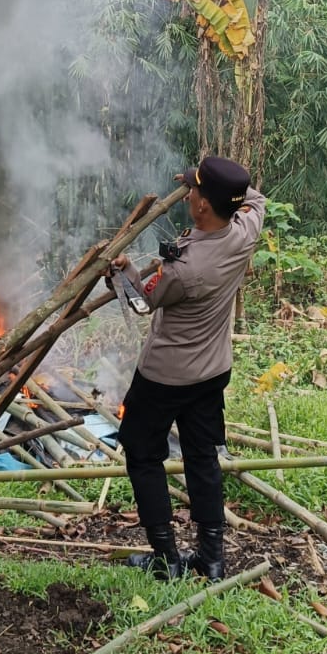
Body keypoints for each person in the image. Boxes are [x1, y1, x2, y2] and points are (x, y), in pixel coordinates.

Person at [109, 155, 265, 580]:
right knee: (201, 457)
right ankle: (211, 558)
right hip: (212, 371)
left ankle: (166, 558)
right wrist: (211, 181)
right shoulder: (245, 229)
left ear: (201, 206)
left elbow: (144, 303)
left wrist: (123, 274)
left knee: (141, 452)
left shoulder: (183, 268)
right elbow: (255, 198)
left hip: (165, 377)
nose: (188, 192)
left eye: (194, 189)